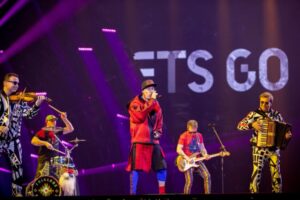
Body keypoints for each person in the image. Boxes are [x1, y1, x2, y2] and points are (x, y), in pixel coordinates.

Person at [0, 73, 46, 196]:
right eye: (14, 82)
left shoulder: (20, 101)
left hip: (13, 141)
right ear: (5, 83)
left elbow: (29, 115)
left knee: (17, 168)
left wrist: (36, 104)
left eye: (18, 83)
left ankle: (17, 194)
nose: (17, 85)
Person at [237, 91, 292, 193]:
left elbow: (285, 130)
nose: (264, 105)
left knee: (276, 174)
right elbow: (239, 126)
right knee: (256, 173)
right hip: (258, 149)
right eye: (262, 102)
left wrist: (287, 136)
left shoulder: (277, 115)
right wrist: (251, 125)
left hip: (274, 149)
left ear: (271, 103)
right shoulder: (254, 114)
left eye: (266, 103)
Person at [126, 79, 167, 195]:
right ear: (143, 91)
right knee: (135, 169)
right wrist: (152, 101)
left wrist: (158, 132)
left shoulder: (156, 104)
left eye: (153, 89)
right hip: (139, 141)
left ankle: (162, 193)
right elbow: (140, 116)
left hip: (153, 142)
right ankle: (132, 193)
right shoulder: (134, 103)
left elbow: (159, 121)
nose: (152, 91)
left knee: (162, 167)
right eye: (149, 89)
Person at [30, 113, 75, 195]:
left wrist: (64, 119)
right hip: (45, 160)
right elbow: (33, 141)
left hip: (55, 160)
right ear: (47, 121)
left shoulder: (57, 131)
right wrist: (45, 143)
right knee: (41, 180)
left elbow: (70, 129)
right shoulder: (44, 131)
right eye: (52, 121)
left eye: (55, 121)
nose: (54, 122)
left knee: (68, 165)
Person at [176, 120, 211, 194]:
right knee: (189, 181)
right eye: (191, 132)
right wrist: (187, 158)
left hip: (197, 160)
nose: (192, 134)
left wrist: (205, 154)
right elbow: (178, 149)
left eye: (194, 132)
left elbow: (202, 148)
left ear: (197, 128)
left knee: (207, 176)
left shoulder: (199, 135)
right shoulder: (183, 135)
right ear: (188, 128)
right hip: (187, 161)